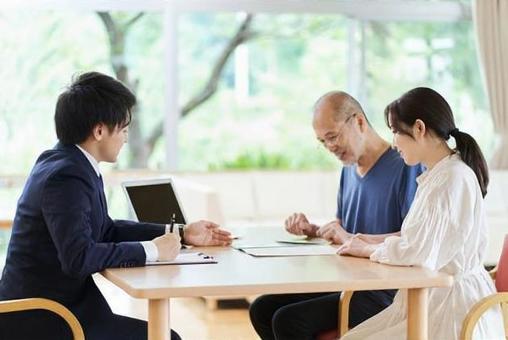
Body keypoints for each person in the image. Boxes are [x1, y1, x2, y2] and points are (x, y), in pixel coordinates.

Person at [0, 72, 232, 340]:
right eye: (123, 129)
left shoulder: (70, 162)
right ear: (99, 131)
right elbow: (78, 257)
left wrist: (181, 232)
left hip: (61, 308)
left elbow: (105, 230)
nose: (125, 138)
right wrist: (152, 250)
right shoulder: (66, 176)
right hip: (43, 317)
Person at [249, 91, 423, 339]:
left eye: (333, 136)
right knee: (262, 308)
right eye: (322, 141)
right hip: (347, 281)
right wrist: (314, 230)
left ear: (359, 122)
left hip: (384, 291)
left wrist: (348, 236)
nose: (330, 147)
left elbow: (412, 239)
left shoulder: (405, 166)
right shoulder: (349, 170)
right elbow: (345, 230)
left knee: (289, 321)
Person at [337, 87, 504, 339]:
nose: (393, 143)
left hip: (451, 309)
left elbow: (420, 253)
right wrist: (369, 240)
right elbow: (419, 240)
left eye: (395, 132)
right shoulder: (439, 175)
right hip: (432, 298)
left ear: (419, 128)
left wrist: (369, 250)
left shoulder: (451, 179)